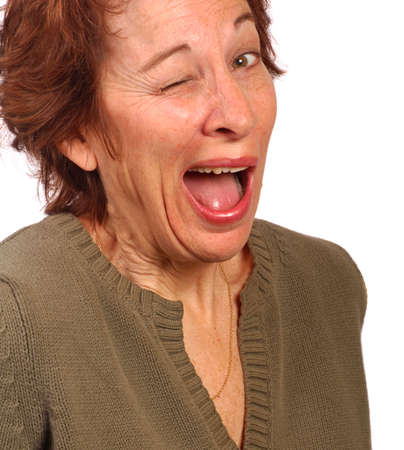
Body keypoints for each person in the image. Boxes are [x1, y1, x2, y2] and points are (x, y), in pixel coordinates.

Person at [0, 0, 371, 448]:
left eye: (243, 60)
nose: (239, 115)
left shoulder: (329, 285)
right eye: (176, 80)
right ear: (76, 131)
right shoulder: (15, 316)